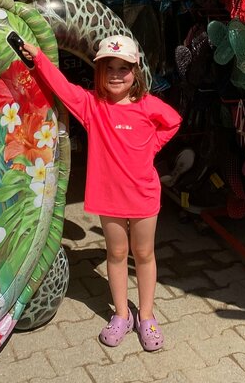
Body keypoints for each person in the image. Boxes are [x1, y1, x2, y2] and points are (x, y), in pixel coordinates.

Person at [18, 33, 181, 351]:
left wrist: (151, 148)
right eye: (110, 68)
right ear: (100, 72)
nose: (117, 74)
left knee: (144, 254)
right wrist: (37, 57)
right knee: (117, 254)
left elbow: (173, 122)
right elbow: (62, 87)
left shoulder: (148, 105)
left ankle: (146, 316)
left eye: (124, 67)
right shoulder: (92, 107)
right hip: (110, 197)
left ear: (136, 71)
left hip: (144, 194)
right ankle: (122, 314)